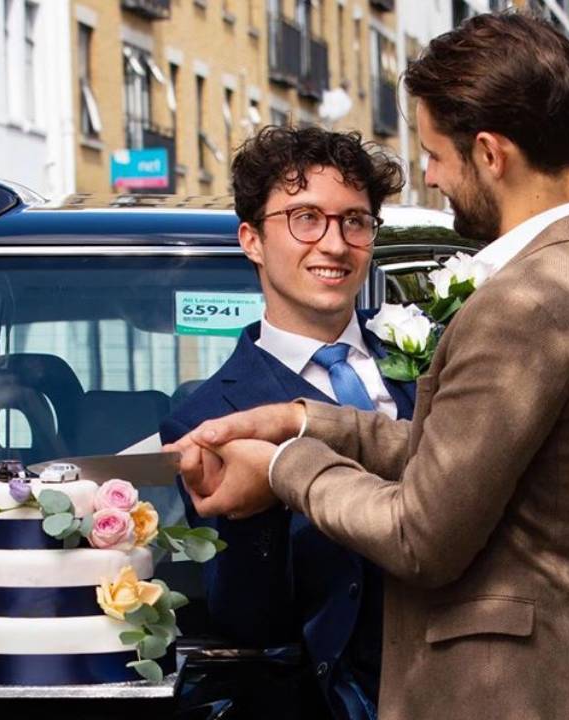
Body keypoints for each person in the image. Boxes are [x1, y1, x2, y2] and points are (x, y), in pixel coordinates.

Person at [165, 11, 569, 719]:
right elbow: (477, 462)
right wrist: (307, 420)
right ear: (251, 239)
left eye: (436, 153)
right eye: (305, 220)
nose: (431, 176)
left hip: (520, 692)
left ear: (491, 153)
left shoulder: (524, 303)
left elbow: (420, 535)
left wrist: (287, 464)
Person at [159, 126, 412, 720]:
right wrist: (259, 504)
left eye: (354, 221)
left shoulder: (434, 364)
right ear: (251, 239)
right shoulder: (207, 421)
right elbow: (246, 617)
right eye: (305, 218)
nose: (334, 243)